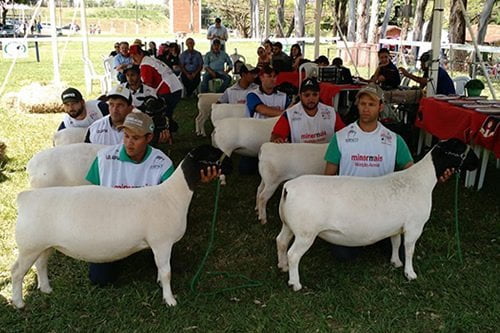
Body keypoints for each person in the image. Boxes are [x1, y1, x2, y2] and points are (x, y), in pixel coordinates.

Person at [84, 112, 221, 286]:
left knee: (164, 253)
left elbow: (174, 199)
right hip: (112, 226)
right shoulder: (103, 158)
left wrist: (198, 181)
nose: (129, 142)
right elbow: (92, 195)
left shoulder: (161, 163)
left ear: (149, 138)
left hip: (148, 227)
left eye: (135, 138)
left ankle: (147, 253)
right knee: (100, 279)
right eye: (126, 136)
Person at [271, 78, 345, 143]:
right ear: (300, 96)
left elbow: (344, 134)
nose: (311, 98)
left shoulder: (331, 113)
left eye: (315, 94)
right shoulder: (290, 115)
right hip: (299, 156)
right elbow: (276, 135)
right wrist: (277, 139)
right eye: (307, 95)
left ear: (319, 95)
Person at [129, 44, 183, 127]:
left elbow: (147, 86)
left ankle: (166, 131)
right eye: (131, 56)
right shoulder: (150, 60)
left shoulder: (145, 65)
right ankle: (169, 129)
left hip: (168, 90)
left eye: (135, 55)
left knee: (161, 114)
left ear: (141, 54)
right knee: (166, 114)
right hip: (174, 87)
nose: (133, 59)